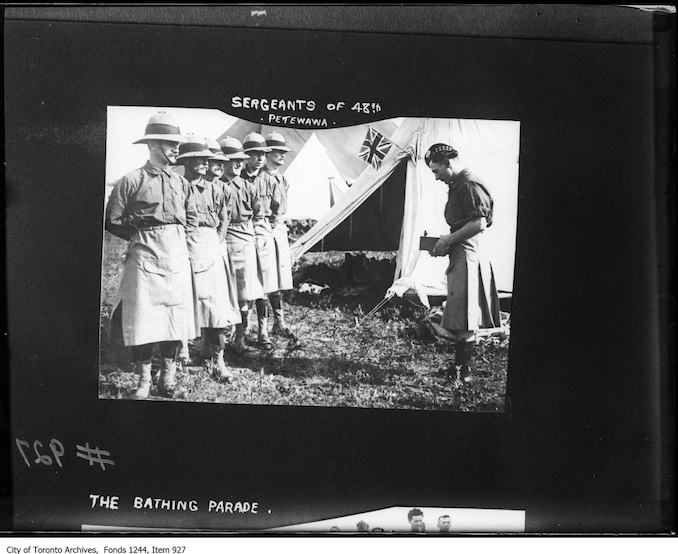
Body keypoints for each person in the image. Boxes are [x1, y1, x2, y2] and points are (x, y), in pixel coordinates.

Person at [105, 111, 197, 399]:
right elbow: (112, 220)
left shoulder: (182, 183)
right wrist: (139, 237)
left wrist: (179, 243)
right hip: (144, 253)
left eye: (177, 143)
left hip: (176, 252)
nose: (176, 149)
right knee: (141, 317)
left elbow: (191, 219)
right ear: (154, 145)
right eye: (170, 144)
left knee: (173, 317)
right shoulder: (131, 180)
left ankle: (167, 379)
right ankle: (144, 380)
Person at [425, 143, 501, 384]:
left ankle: (463, 373)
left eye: (437, 171)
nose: (436, 177)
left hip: (469, 256)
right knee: (460, 314)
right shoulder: (457, 185)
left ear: (449, 163)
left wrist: (447, 239)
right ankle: (460, 368)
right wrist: (445, 243)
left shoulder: (468, 184)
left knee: (466, 316)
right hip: (461, 253)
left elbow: (479, 223)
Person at [177, 135, 240, 383]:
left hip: (210, 248)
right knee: (183, 304)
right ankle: (180, 355)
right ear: (186, 161)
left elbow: (223, 219)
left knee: (216, 308)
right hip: (183, 248)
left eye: (207, 158)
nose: (206, 162)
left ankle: (218, 360)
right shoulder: (177, 186)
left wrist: (216, 242)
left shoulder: (217, 189)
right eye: (199, 158)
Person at [220, 136, 265, 353]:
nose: (238, 163)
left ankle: (240, 336)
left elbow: (259, 214)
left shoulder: (248, 186)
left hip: (245, 238)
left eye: (240, 159)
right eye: (232, 159)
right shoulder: (215, 186)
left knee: (245, 292)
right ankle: (218, 337)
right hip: (221, 240)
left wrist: (254, 240)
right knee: (221, 290)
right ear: (222, 162)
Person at [241, 132, 278, 349]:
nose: (259, 158)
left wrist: (267, 230)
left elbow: (276, 209)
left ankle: (263, 331)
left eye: (263, 154)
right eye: (254, 154)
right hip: (244, 231)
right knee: (246, 284)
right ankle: (243, 330)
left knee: (264, 285)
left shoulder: (269, 180)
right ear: (246, 156)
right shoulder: (238, 179)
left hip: (262, 230)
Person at [261, 132, 296, 338]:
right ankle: (261, 327)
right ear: (268, 153)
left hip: (279, 231)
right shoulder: (260, 178)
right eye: (278, 151)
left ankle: (279, 321)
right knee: (266, 279)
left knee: (280, 278)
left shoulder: (282, 179)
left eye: (284, 152)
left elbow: (282, 208)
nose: (282, 155)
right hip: (265, 230)